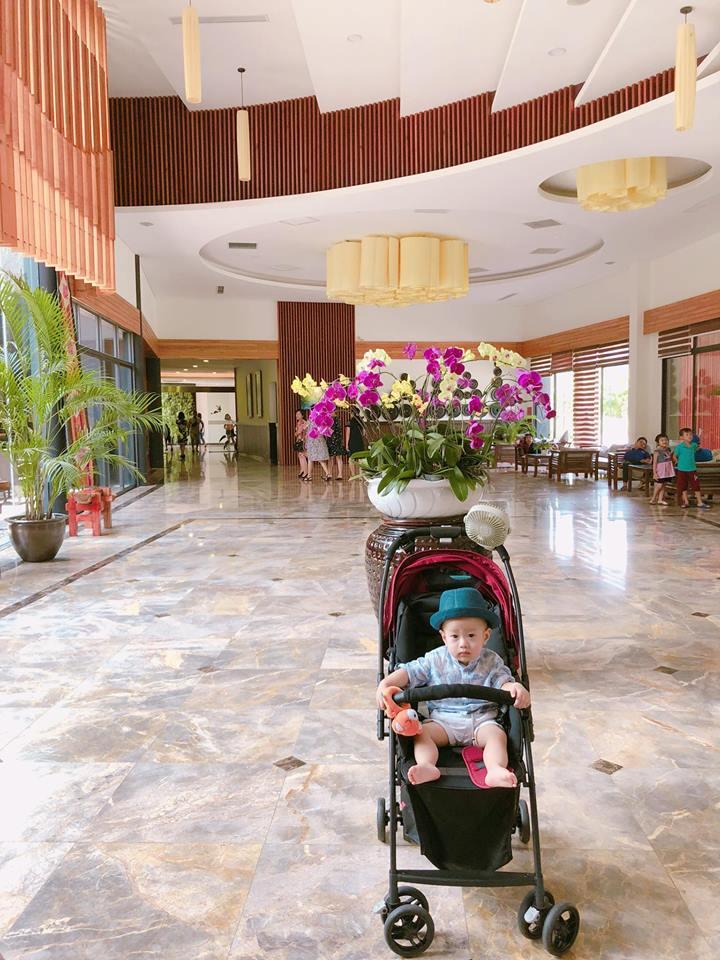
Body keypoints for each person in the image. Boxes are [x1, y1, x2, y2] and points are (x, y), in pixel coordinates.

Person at [375, 587, 530, 788]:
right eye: (455, 637)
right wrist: (386, 683)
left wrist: (515, 687)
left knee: (497, 737)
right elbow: (410, 672)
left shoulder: (492, 661)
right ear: (444, 637)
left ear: (486, 636)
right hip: (443, 721)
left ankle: (495, 769)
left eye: (471, 635)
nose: (463, 643)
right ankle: (427, 765)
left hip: (482, 721)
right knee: (421, 733)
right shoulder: (435, 660)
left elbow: (503, 682)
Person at [674, 427, 710, 509]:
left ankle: (700, 502)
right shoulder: (679, 447)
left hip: (692, 469)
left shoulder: (694, 445)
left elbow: (697, 448)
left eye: (690, 434)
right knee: (683, 486)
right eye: (687, 435)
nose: (689, 436)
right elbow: (675, 456)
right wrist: (676, 460)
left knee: (696, 485)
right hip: (682, 470)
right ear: (681, 437)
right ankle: (686, 502)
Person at [304, 415, 332, 481]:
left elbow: (306, 429)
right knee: (320, 459)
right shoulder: (321, 420)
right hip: (320, 440)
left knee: (310, 458)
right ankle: (328, 474)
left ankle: (309, 476)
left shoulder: (310, 420)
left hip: (312, 441)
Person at [650, 433, 673, 506]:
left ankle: (660, 500)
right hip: (660, 470)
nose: (664, 441)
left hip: (667, 470)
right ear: (658, 442)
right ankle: (653, 498)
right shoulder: (657, 451)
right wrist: (654, 473)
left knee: (663, 485)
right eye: (662, 440)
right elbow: (654, 463)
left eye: (666, 440)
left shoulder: (668, 449)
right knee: (659, 485)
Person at [326, 411, 346, 480]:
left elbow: (333, 430)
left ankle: (340, 474)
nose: (329, 413)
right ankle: (329, 474)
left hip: (337, 441)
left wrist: (326, 429)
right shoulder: (329, 419)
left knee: (338, 457)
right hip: (330, 440)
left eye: (331, 411)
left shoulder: (336, 419)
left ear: (334, 412)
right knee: (330, 458)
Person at [345, 413, 366, 477]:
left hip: (352, 442)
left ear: (352, 414)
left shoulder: (349, 422)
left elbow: (347, 434)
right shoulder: (361, 421)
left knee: (351, 459)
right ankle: (361, 475)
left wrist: (346, 444)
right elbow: (364, 433)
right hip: (360, 442)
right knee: (360, 459)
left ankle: (353, 475)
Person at [294, 410, 309, 480]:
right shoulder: (298, 423)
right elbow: (296, 433)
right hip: (299, 441)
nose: (297, 416)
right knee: (300, 455)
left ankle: (306, 472)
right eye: (296, 414)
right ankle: (302, 470)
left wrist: (297, 433)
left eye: (298, 414)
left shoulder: (304, 423)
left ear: (302, 415)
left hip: (304, 442)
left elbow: (298, 432)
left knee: (303, 455)